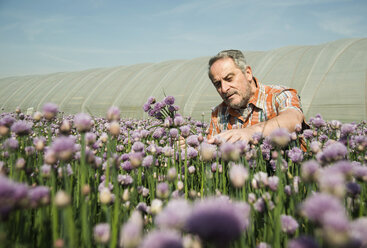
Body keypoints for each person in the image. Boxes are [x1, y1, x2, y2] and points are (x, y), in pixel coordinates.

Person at [206, 49, 306, 144]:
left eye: (229, 79)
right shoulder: (218, 113)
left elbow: (293, 120)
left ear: (248, 73)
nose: (224, 89)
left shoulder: (279, 95)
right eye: (218, 84)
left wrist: (250, 132)